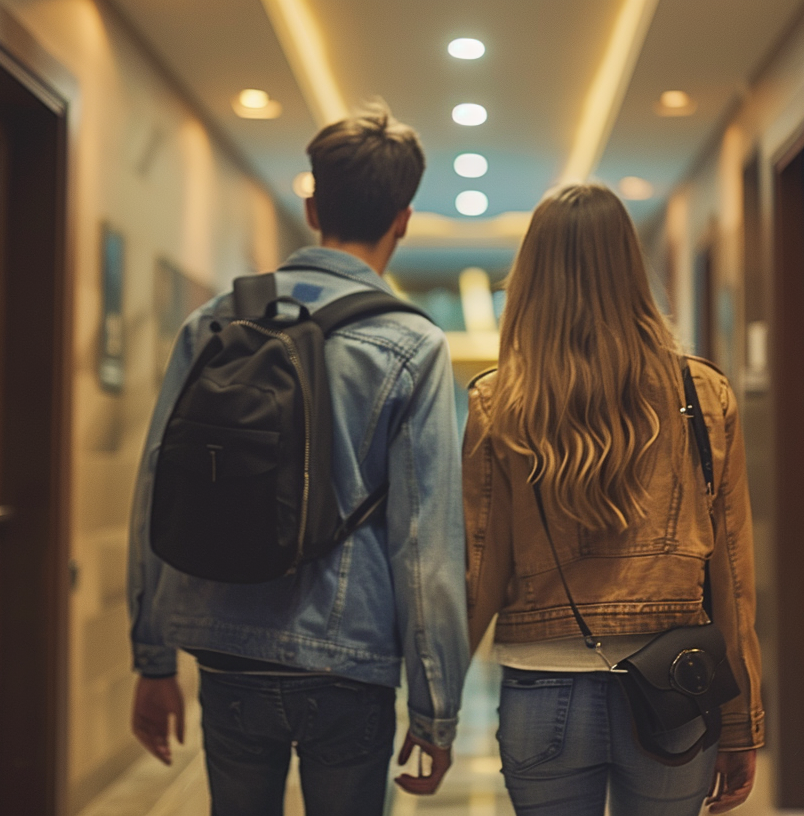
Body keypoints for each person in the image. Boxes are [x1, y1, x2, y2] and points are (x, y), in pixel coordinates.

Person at [126, 102, 470, 816]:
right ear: (402, 219)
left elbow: (160, 486)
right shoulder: (411, 345)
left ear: (311, 205)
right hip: (348, 662)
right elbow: (425, 543)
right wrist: (436, 710)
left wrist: (154, 658)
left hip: (225, 648)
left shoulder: (215, 320)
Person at [463, 183, 764, 815]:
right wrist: (741, 721)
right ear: (631, 269)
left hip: (542, 693)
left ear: (531, 277)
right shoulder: (701, 393)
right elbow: (730, 576)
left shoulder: (499, 403)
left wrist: (433, 712)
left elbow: (477, 574)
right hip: (674, 688)